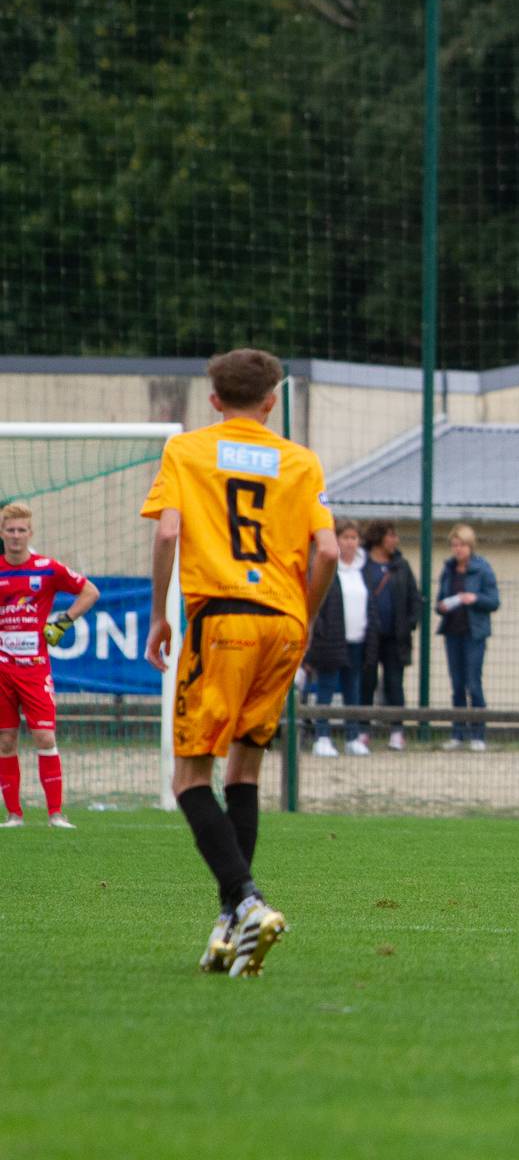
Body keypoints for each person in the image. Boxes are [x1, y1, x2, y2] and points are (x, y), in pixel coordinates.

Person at [142, 347, 338, 977]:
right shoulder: (301, 461)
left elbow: (167, 533)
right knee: (244, 770)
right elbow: (329, 552)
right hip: (283, 622)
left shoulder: (187, 450)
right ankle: (229, 926)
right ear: (272, 402)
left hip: (223, 618)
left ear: (214, 400)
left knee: (189, 778)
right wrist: (302, 618)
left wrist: (159, 615)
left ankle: (248, 901)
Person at [0, 501, 99, 828]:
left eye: (21, 530)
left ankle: (56, 814)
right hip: (2, 671)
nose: (16, 535)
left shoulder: (47, 568)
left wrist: (63, 621)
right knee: (6, 741)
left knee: (44, 737)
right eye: (10, 530)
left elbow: (90, 592)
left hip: (35, 669)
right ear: (2, 533)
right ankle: (14, 815)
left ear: (31, 533)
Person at [303, 518, 369, 757]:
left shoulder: (364, 569)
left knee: (353, 689)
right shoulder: (327, 567)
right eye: (345, 537)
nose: (350, 542)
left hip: (357, 639)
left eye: (354, 538)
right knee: (326, 688)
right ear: (336, 540)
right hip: (330, 641)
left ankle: (353, 736)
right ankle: (322, 737)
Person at [435, 524, 499, 751]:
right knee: (457, 685)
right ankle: (458, 734)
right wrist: (442, 606)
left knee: (474, 683)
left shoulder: (483, 569)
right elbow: (439, 601)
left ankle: (478, 735)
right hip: (453, 633)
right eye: (454, 545)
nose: (457, 549)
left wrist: (475, 598)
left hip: (474, 634)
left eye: (461, 545)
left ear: (470, 546)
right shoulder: (448, 570)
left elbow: (494, 601)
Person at [358, 520, 421, 750]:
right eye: (391, 535)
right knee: (367, 682)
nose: (396, 540)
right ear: (379, 537)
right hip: (368, 636)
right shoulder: (361, 564)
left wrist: (409, 623)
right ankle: (362, 730)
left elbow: (414, 598)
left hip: (395, 637)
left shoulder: (401, 566)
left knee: (395, 683)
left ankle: (397, 731)